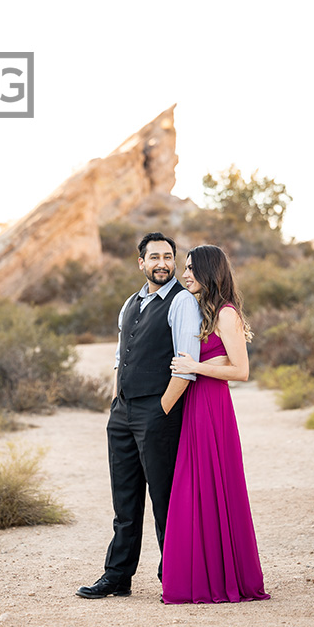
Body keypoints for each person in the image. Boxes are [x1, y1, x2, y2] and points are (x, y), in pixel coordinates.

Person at [78, 232, 202, 599]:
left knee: (164, 499)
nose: (162, 263)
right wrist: (118, 403)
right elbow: (121, 357)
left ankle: (176, 575)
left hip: (157, 411)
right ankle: (117, 576)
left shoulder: (182, 303)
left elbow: (185, 365)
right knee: (125, 501)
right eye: (155, 257)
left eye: (168, 257)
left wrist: (162, 409)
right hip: (123, 412)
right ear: (141, 263)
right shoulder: (130, 303)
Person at [161, 244, 270, 604]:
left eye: (192, 268)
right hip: (196, 405)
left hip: (213, 406)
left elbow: (240, 371)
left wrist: (196, 367)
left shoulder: (225, 313)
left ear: (210, 272)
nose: (185, 273)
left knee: (212, 486)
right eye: (186, 267)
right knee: (193, 490)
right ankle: (198, 576)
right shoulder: (200, 310)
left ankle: (223, 577)